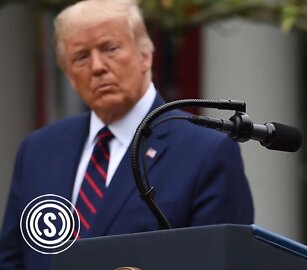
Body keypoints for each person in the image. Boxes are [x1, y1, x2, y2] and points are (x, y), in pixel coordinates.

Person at [0, 0, 254, 269]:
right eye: (81, 57)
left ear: (145, 55)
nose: (97, 66)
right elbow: (12, 260)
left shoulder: (205, 151)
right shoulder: (39, 150)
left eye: (110, 48)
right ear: (70, 75)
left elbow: (224, 261)